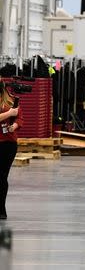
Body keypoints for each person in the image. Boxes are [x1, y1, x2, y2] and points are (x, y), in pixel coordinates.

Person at [0, 82, 21, 219]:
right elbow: (11, 113)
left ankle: (1, 209)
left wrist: (15, 125)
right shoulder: (9, 108)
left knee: (2, 177)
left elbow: (20, 117)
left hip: (8, 144)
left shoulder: (12, 100)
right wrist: (9, 113)